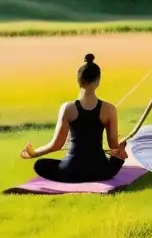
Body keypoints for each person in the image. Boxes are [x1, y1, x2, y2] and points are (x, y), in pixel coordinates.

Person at [20, 53, 127, 183]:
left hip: (71, 172)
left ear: (78, 80)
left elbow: (56, 145)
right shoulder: (110, 109)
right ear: (98, 80)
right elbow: (113, 145)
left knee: (40, 164)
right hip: (101, 171)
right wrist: (121, 146)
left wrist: (34, 153)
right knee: (118, 159)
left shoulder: (67, 108)